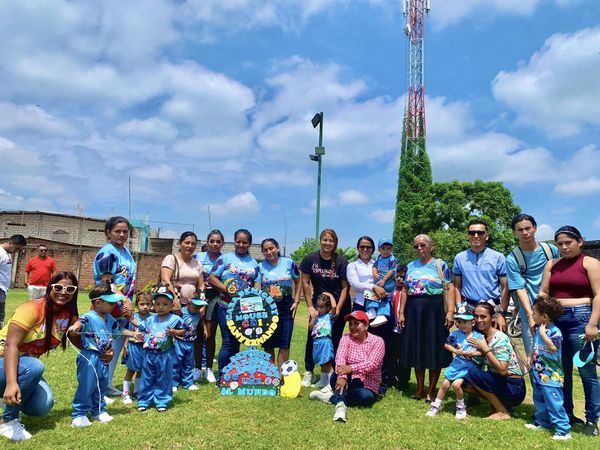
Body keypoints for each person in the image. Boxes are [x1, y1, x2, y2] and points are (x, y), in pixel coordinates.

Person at [0, 271, 79, 442]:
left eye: (69, 289)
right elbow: (11, 345)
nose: (63, 292)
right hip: (4, 359)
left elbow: (80, 343)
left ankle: (6, 398)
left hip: (20, 366)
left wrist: (80, 327)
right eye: (58, 287)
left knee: (42, 405)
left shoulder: (68, 316)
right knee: (34, 367)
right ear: (50, 288)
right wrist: (12, 384)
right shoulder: (32, 308)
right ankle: (8, 421)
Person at [539, 225, 599, 436]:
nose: (564, 247)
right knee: (560, 371)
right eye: (559, 244)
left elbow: (599, 294)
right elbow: (543, 291)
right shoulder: (551, 264)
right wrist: (542, 316)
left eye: (568, 242)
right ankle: (566, 414)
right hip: (555, 321)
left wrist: (592, 324)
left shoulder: (590, 263)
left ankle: (592, 420)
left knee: (586, 371)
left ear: (580, 242)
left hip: (581, 319)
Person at [397, 234, 456, 401]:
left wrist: (450, 312)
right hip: (414, 311)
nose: (419, 248)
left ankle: (431, 391)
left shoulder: (440, 265)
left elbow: (449, 288)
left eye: (423, 245)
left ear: (431, 246)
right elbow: (404, 290)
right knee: (418, 348)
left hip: (435, 311)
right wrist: (401, 313)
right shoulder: (410, 266)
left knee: (434, 348)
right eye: (416, 246)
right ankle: (420, 389)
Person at [308, 311, 384, 423]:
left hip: (367, 383)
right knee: (334, 377)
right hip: (348, 379)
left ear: (366, 326)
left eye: (356, 323)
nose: (352, 327)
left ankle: (333, 397)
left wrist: (351, 368)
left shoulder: (378, 341)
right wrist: (342, 377)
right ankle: (340, 405)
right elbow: (340, 358)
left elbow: (372, 363)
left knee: (365, 397)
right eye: (350, 324)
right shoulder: (346, 338)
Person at [67, 284, 123, 427]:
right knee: (87, 384)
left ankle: (98, 410)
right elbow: (80, 322)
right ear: (98, 303)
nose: (114, 305)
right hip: (89, 357)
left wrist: (134, 334)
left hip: (104, 357)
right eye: (111, 303)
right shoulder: (89, 316)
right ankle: (79, 414)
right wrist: (75, 327)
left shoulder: (109, 319)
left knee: (101, 384)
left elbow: (119, 331)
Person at [299, 228, 349, 387]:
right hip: (319, 306)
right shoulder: (310, 259)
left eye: (331, 240)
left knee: (334, 339)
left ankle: (329, 375)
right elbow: (305, 282)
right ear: (320, 240)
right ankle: (309, 371)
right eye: (325, 240)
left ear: (335, 243)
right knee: (313, 337)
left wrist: (338, 308)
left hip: (338, 304)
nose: (327, 243)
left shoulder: (341, 261)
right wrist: (309, 306)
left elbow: (345, 287)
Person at [93, 216, 136, 397]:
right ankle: (98, 389)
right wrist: (125, 300)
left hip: (120, 308)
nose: (121, 234)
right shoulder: (107, 253)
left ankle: (107, 384)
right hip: (107, 305)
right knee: (104, 348)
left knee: (115, 347)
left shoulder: (125, 252)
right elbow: (108, 282)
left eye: (125, 231)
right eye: (117, 231)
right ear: (108, 232)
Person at [506, 214, 559, 355]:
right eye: (520, 230)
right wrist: (531, 317)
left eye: (528, 228)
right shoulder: (512, 258)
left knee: (559, 354)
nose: (525, 233)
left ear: (535, 228)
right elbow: (519, 289)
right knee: (534, 354)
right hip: (530, 311)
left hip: (554, 310)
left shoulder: (551, 250)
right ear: (514, 232)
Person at [346, 235, 393, 394]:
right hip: (361, 306)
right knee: (359, 343)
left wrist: (382, 290)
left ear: (373, 249)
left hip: (380, 306)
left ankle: (381, 382)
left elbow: (389, 279)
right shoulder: (353, 265)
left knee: (380, 343)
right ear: (358, 248)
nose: (365, 249)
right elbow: (355, 284)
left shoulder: (379, 262)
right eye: (362, 247)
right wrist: (374, 287)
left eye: (368, 247)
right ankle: (359, 379)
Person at [208, 229, 258, 377]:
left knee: (238, 340)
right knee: (228, 341)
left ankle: (233, 374)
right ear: (234, 241)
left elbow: (257, 282)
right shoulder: (225, 258)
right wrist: (228, 290)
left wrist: (254, 296)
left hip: (245, 309)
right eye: (238, 241)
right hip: (226, 306)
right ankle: (223, 375)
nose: (241, 245)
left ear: (249, 244)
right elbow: (212, 278)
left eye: (245, 242)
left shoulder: (254, 262)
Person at [464, 303, 526, 420]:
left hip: (514, 387)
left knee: (471, 373)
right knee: (463, 378)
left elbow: (503, 370)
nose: (479, 320)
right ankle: (499, 405)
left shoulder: (499, 338)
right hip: (500, 381)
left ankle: (502, 411)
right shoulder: (480, 337)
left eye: (483, 317)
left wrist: (485, 349)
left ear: (492, 318)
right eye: (476, 316)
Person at [426, 303, 483, 420]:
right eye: (459, 322)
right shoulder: (455, 334)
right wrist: (456, 351)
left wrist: (473, 354)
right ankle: (435, 406)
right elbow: (446, 345)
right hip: (456, 365)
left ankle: (461, 408)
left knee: (456, 385)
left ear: (473, 322)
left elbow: (483, 352)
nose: (462, 325)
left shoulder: (478, 336)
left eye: (465, 322)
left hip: (469, 367)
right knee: (444, 384)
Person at [526, 296, 571, 440]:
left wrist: (543, 335)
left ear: (544, 317)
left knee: (554, 402)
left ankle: (563, 430)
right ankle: (542, 423)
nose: (532, 315)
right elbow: (536, 346)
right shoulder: (538, 329)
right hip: (538, 373)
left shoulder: (555, 332)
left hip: (551, 376)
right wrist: (530, 355)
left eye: (534, 313)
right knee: (539, 399)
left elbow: (553, 348)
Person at [137, 285, 186, 412]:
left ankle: (162, 400)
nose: (161, 307)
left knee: (164, 378)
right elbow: (139, 326)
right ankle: (144, 400)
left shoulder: (175, 319)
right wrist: (129, 318)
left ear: (171, 305)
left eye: (165, 304)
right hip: (149, 354)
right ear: (154, 305)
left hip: (165, 354)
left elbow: (185, 330)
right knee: (147, 377)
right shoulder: (150, 319)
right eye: (158, 304)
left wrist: (175, 332)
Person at [453, 219, 509, 331]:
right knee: (469, 341)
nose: (476, 236)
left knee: (494, 340)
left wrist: (501, 313)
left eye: (480, 233)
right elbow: (457, 287)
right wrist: (459, 310)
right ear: (468, 236)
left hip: (492, 308)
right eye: (472, 233)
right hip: (468, 308)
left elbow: (505, 287)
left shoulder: (498, 257)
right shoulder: (459, 258)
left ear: (486, 236)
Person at [254, 238, 300, 369]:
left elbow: (298, 281)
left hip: (286, 307)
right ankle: (271, 374)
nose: (269, 252)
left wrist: (296, 301)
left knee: (285, 342)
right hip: (267, 308)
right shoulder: (260, 267)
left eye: (271, 248)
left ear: (277, 248)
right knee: (269, 343)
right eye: (265, 250)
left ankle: (281, 376)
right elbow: (257, 286)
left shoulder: (289, 262)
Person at [194, 230, 224, 383]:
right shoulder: (198, 257)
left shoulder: (224, 259)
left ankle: (209, 369)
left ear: (222, 244)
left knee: (210, 334)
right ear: (207, 242)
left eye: (218, 241)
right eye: (212, 241)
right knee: (198, 333)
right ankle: (198, 368)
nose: (215, 244)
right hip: (199, 295)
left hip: (216, 297)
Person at [160, 231, 206, 314]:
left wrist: (202, 302)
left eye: (193, 244)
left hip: (192, 307)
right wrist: (174, 300)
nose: (190, 246)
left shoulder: (197, 263)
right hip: (173, 305)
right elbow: (165, 280)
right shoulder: (171, 259)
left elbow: (201, 285)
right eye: (187, 243)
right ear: (180, 243)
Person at [121, 291, 152, 405]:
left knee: (141, 370)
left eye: (148, 304)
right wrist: (125, 347)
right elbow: (127, 333)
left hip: (145, 348)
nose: (145, 306)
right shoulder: (132, 317)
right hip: (133, 347)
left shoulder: (152, 318)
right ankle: (125, 394)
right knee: (131, 370)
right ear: (136, 305)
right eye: (142, 304)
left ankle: (136, 392)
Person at [173, 297, 207, 391]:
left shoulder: (198, 313)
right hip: (179, 341)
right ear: (188, 303)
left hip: (191, 341)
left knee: (189, 363)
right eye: (195, 307)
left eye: (199, 307)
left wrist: (205, 329)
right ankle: (174, 383)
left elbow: (201, 320)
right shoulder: (180, 312)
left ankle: (188, 383)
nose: (197, 309)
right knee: (176, 363)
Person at [309, 293, 336, 388]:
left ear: (327, 308)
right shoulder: (316, 317)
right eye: (317, 306)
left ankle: (331, 383)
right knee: (322, 363)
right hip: (316, 342)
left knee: (327, 364)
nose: (318, 309)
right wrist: (313, 319)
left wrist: (330, 295)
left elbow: (334, 307)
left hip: (325, 342)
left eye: (321, 307)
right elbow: (310, 328)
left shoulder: (329, 316)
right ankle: (323, 381)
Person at [368, 237, 397, 327]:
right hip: (380, 281)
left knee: (384, 296)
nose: (386, 251)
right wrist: (374, 273)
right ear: (379, 249)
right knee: (371, 293)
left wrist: (384, 280)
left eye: (388, 249)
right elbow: (374, 266)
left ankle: (382, 314)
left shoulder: (392, 259)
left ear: (391, 249)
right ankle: (372, 310)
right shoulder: (378, 257)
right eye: (383, 248)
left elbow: (392, 270)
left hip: (388, 282)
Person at [0, 234, 27, 328]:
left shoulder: (7, 254)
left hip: (3, 289)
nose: (17, 251)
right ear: (11, 243)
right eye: (16, 248)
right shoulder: (0, 253)